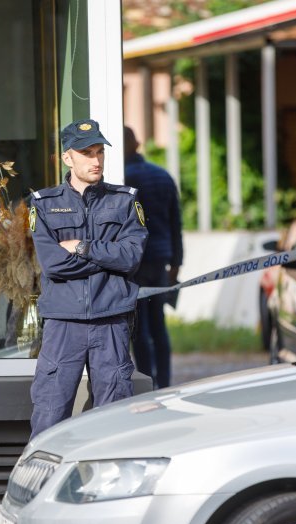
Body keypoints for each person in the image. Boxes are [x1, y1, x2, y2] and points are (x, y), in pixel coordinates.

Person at [27, 119, 148, 438]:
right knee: (50, 415)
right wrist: (110, 259)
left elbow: (132, 257)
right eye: (86, 153)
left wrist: (82, 247)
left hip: (111, 322)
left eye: (99, 152)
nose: (95, 160)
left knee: (115, 420)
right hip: (63, 324)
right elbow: (54, 266)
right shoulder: (44, 204)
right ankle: (42, 485)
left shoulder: (125, 201)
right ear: (68, 158)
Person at [123, 126, 183, 389]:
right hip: (160, 260)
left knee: (139, 329)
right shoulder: (163, 176)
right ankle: (165, 383)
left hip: (133, 262)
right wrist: (176, 263)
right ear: (136, 144)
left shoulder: (122, 179)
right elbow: (175, 223)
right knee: (159, 326)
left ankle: (147, 381)